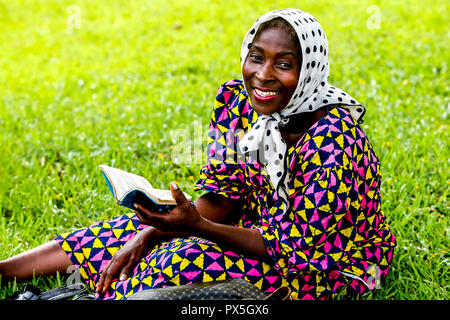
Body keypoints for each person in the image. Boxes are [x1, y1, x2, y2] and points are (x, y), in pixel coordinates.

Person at [0, 9, 396, 300]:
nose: (263, 74)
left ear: (310, 70)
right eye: (256, 56)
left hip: (324, 265)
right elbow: (223, 196)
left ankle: (83, 297)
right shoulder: (241, 103)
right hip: (256, 226)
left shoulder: (335, 142)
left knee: (185, 256)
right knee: (126, 235)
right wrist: (154, 231)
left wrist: (195, 228)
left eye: (285, 64)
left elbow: (295, 250)